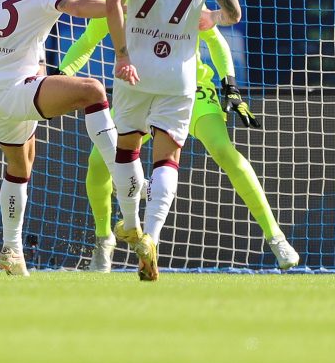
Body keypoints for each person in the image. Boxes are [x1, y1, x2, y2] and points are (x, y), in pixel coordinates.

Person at [0, 0, 148, 276]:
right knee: (92, 90)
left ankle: (11, 250)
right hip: (20, 87)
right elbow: (79, 8)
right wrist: (121, 7)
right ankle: (120, 171)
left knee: (19, 167)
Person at [57, 14, 300, 271]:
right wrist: (60, 75)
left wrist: (230, 86)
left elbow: (216, 40)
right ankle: (104, 240)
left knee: (222, 149)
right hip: (140, 91)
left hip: (191, 89)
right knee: (98, 161)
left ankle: (276, 238)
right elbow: (87, 40)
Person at [106, 0, 242, 281]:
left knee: (127, 148)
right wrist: (212, 18)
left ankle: (129, 223)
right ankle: (151, 236)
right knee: (167, 158)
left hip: (136, 69)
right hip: (179, 73)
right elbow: (233, 13)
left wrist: (122, 53)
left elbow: (114, 1)